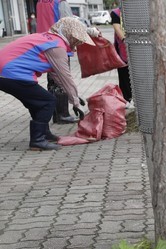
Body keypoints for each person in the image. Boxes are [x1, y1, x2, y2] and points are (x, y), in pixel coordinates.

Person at [0, 17, 94, 151]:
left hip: (6, 73)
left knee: (36, 102)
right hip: (13, 73)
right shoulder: (57, 46)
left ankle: (44, 134)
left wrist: (74, 96)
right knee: (48, 101)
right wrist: (75, 103)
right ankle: (37, 140)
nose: (77, 42)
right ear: (68, 33)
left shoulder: (48, 38)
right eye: (76, 38)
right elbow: (65, 76)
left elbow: (57, 76)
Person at [36, 0, 99, 124]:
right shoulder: (60, 3)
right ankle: (62, 115)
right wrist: (91, 31)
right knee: (63, 79)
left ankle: (55, 113)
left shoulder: (40, 2)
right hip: (59, 43)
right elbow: (71, 25)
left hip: (44, 42)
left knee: (53, 80)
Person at [111, 7, 133, 108]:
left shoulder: (137, 9)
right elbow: (117, 28)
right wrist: (125, 40)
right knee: (124, 75)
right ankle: (126, 98)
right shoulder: (116, 13)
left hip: (137, 47)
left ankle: (135, 98)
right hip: (123, 48)